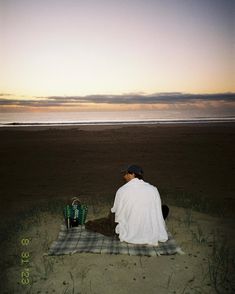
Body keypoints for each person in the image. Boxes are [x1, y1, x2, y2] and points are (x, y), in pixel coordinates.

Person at [85, 164, 169, 245]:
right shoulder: (153, 189)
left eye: (126, 174)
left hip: (130, 229)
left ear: (132, 174)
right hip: (149, 229)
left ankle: (91, 224)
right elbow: (156, 211)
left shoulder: (122, 190)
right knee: (163, 208)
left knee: (110, 219)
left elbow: (116, 212)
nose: (124, 176)